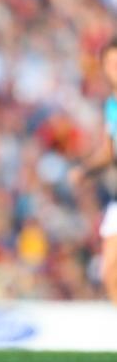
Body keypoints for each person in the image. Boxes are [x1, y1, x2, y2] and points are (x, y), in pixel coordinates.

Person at [69, 36, 117, 305]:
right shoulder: (111, 104)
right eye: (110, 63)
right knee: (109, 270)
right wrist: (85, 170)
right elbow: (110, 153)